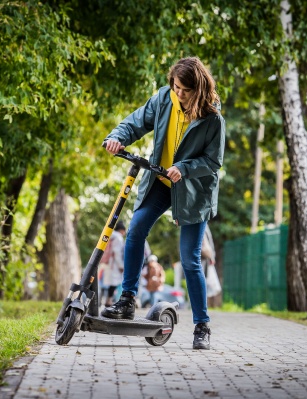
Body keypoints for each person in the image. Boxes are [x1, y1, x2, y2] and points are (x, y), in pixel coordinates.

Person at [101, 56, 225, 350]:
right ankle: (127, 299)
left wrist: (185, 167)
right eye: (176, 86)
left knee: (190, 259)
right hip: (160, 181)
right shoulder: (164, 98)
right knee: (135, 230)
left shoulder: (212, 119)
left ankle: (202, 326)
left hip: (193, 191)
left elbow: (213, 161)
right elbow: (135, 122)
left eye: (185, 90)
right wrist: (117, 137)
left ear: (199, 89)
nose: (178, 93)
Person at [103, 221, 126, 307]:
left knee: (111, 283)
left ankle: (108, 300)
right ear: (122, 230)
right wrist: (121, 266)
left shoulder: (111, 236)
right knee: (114, 283)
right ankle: (109, 301)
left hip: (109, 262)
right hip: (115, 264)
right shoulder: (118, 238)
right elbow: (117, 253)